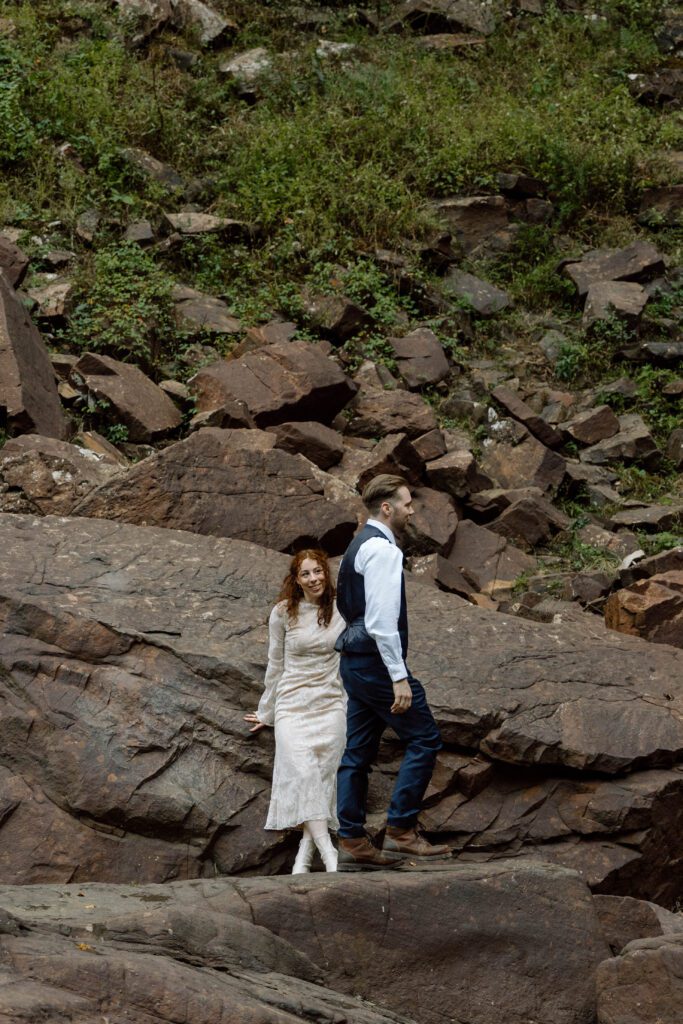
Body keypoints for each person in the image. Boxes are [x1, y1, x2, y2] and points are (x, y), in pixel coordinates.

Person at [334, 474, 450, 871]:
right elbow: (381, 622)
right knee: (425, 739)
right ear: (387, 508)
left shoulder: (356, 545)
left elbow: (349, 609)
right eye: (405, 503)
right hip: (377, 665)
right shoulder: (383, 551)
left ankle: (351, 839)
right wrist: (398, 676)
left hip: (353, 662)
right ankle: (401, 832)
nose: (411, 509)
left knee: (358, 752)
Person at [244, 549, 346, 874]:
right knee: (303, 772)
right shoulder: (283, 612)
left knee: (323, 776)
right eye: (306, 574)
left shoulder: (343, 607)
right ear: (296, 579)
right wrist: (266, 712)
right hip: (292, 701)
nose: (313, 578)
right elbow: (275, 664)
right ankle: (329, 853)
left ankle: (304, 851)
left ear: (325, 573)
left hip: (331, 702)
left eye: (318, 571)